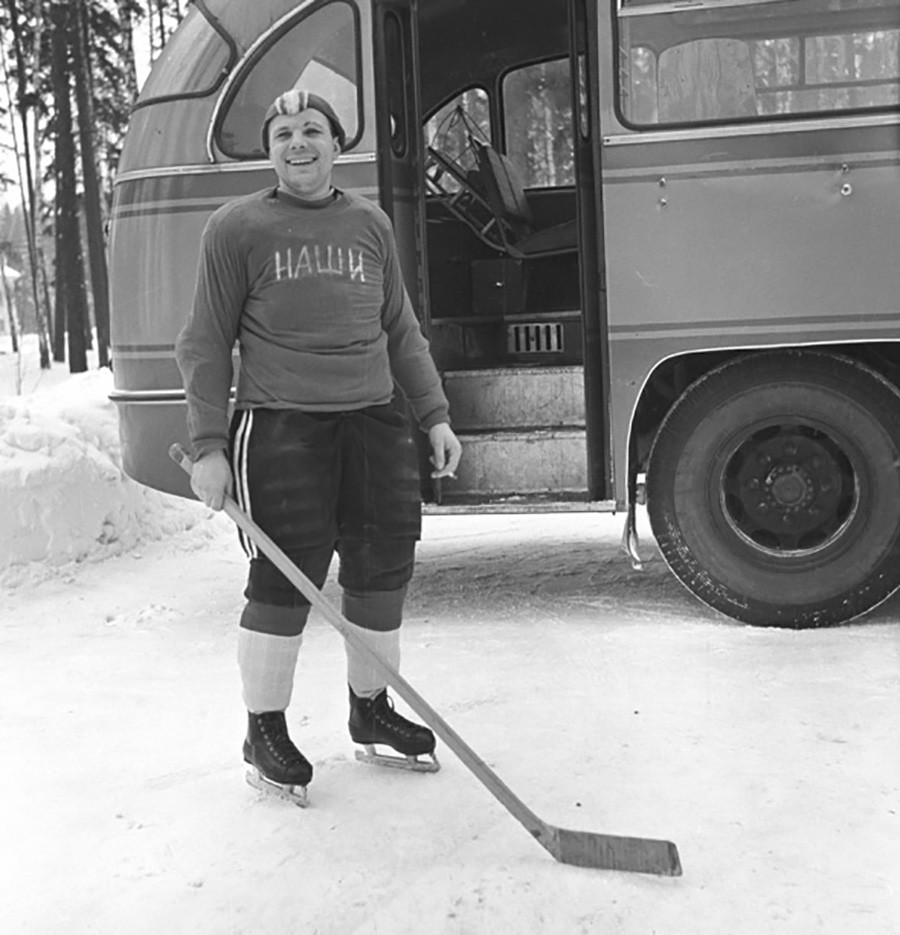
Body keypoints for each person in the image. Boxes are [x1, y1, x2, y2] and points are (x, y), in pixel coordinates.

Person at [175, 89, 462, 802]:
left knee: (381, 569)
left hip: (373, 422)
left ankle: (370, 709)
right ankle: (263, 728)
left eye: (312, 130)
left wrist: (434, 415)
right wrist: (209, 445)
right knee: (283, 578)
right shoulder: (235, 229)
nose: (297, 142)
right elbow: (205, 342)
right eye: (282, 134)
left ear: (337, 144)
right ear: (268, 151)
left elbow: (401, 329)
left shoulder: (370, 224)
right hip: (281, 428)